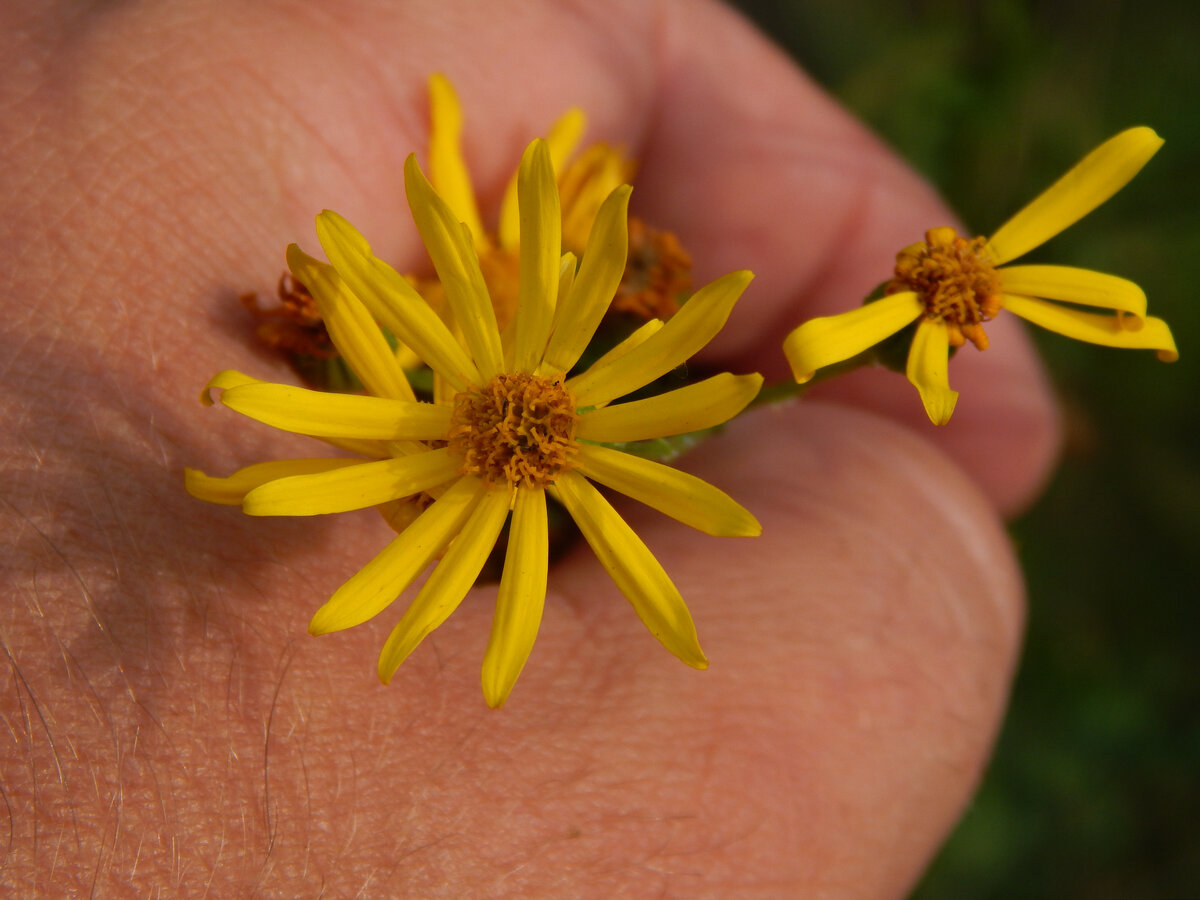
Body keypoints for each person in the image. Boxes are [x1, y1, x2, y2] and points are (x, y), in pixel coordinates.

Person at [0, 0, 1059, 895]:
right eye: (522, 422)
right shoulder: (468, 378)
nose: (518, 427)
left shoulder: (553, 404)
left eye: (530, 426)